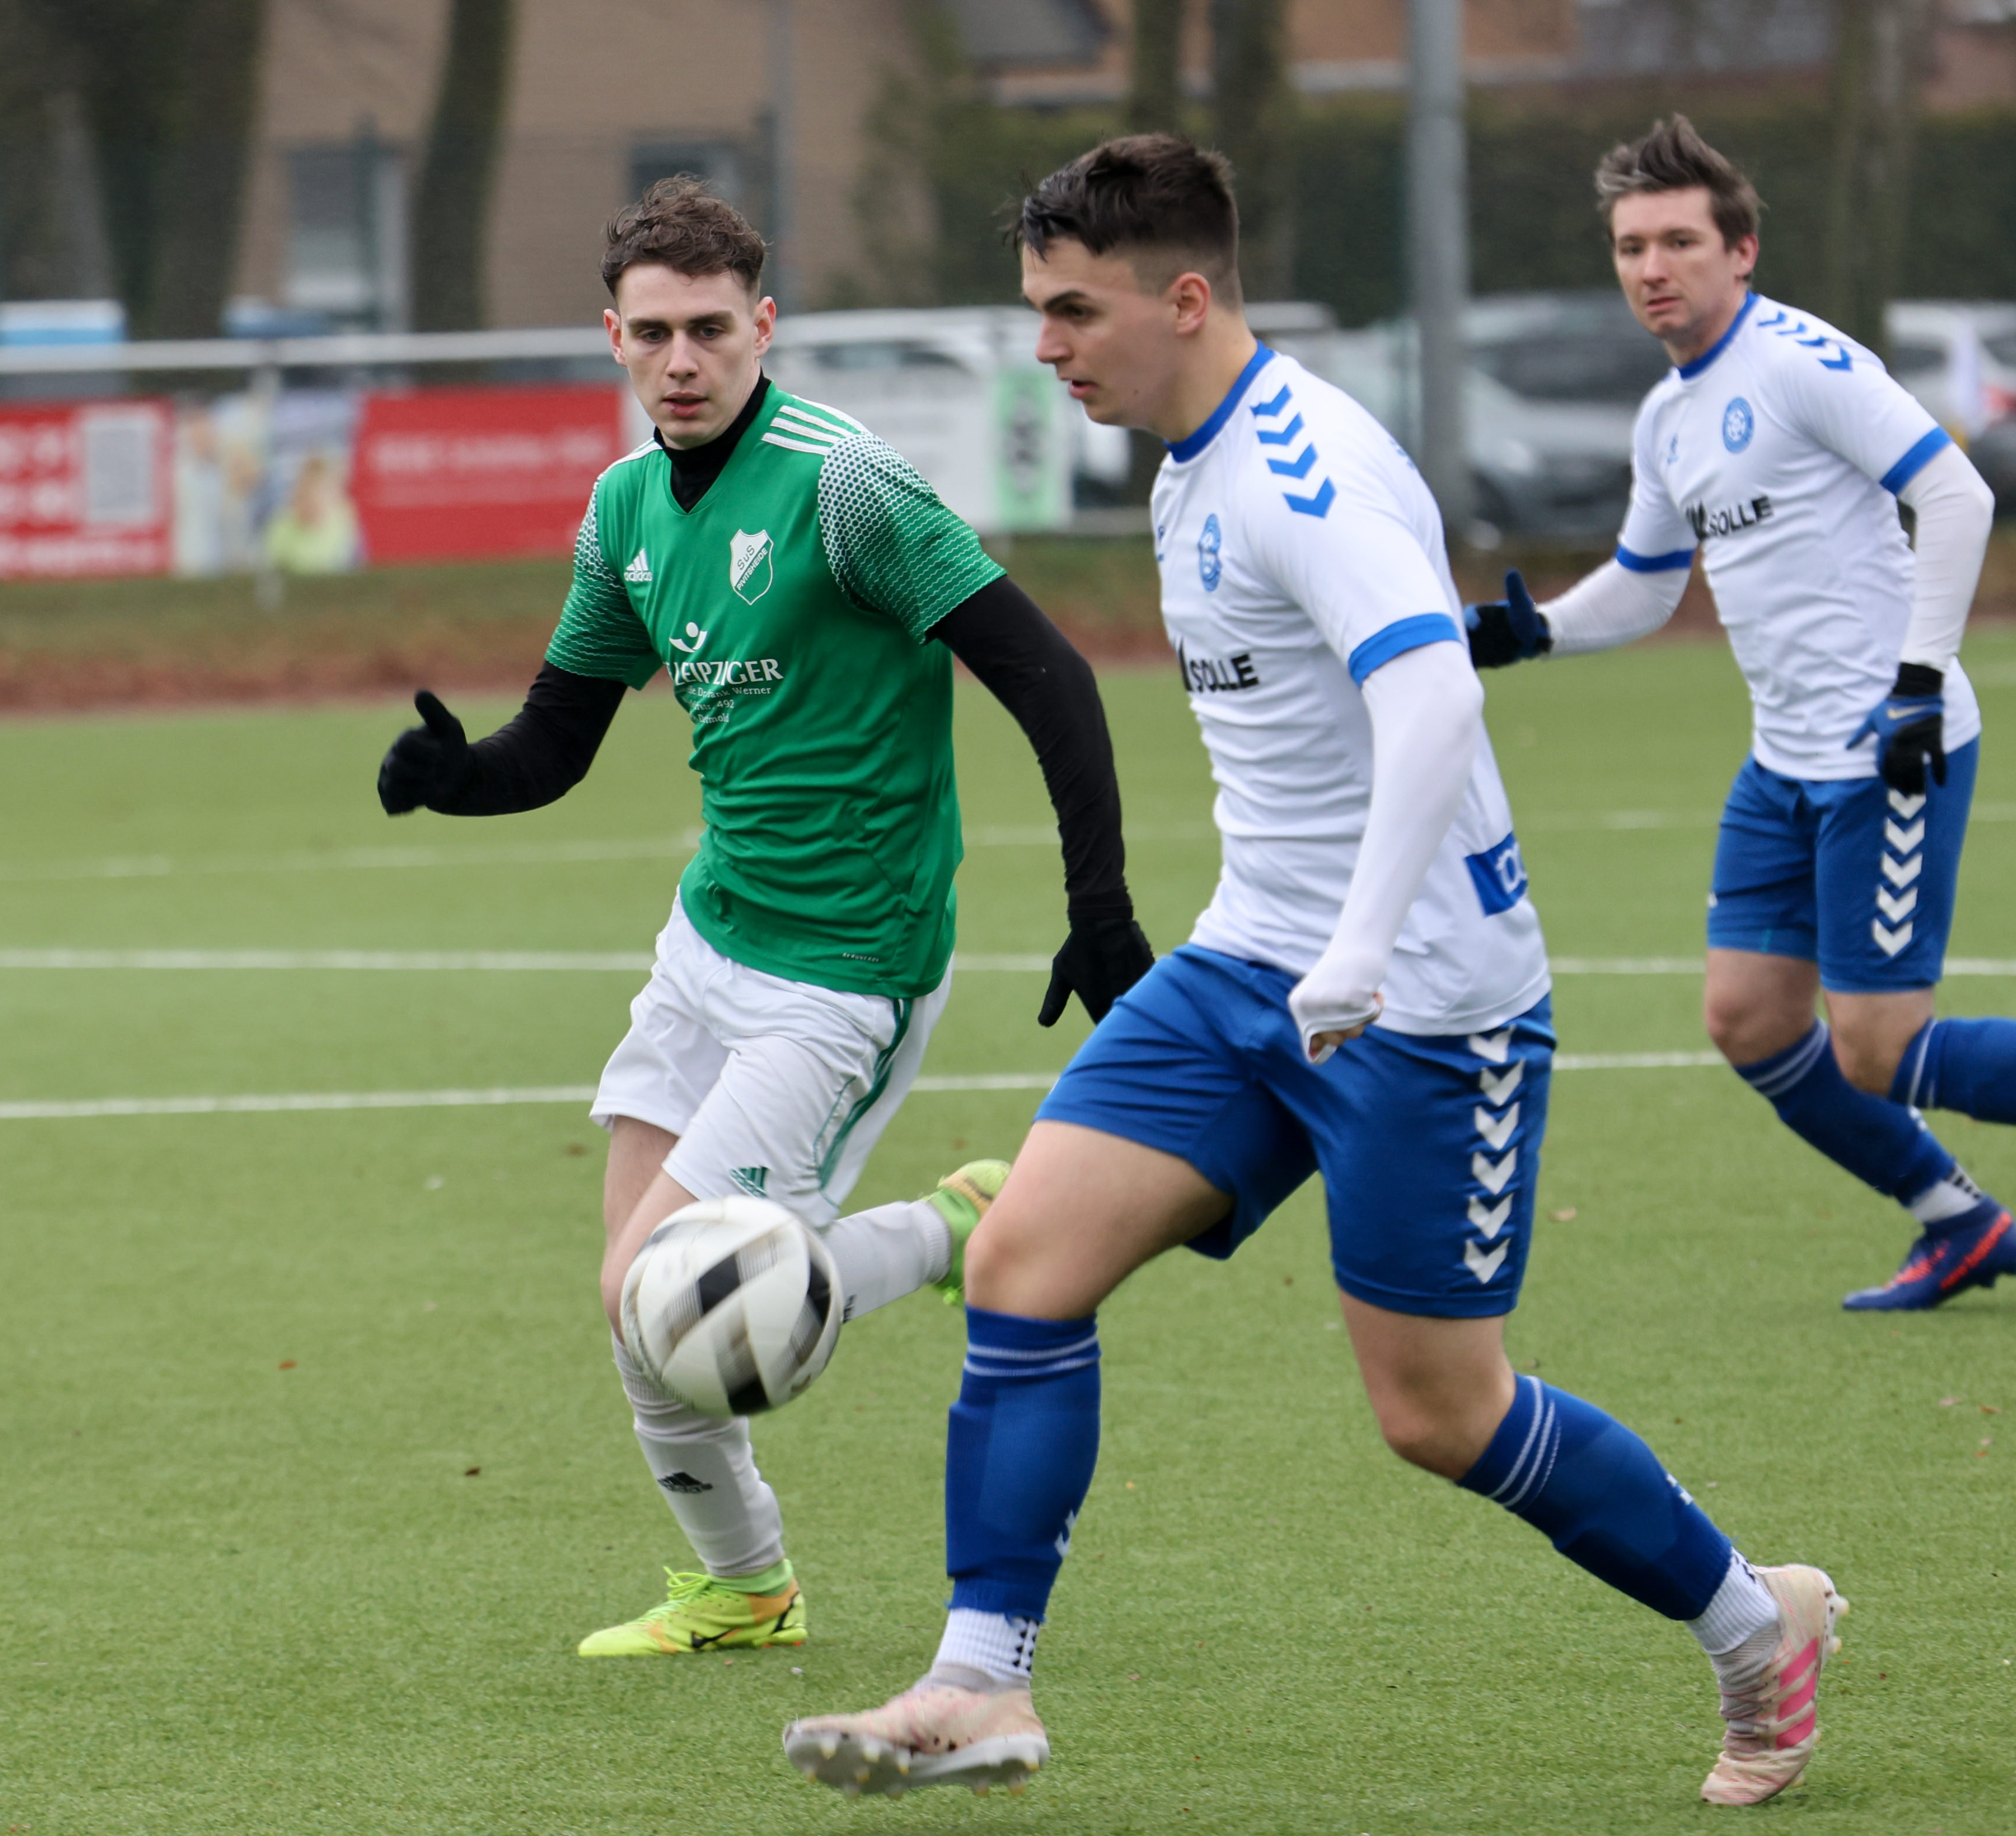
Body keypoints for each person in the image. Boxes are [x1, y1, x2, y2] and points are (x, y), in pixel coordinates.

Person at [783, 136, 1840, 1809]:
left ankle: (1752, 1620)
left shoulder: (1300, 470)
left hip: (1420, 1003)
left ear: (1181, 297)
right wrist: (1292, 944)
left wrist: (1355, 949)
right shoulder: (1182, 465)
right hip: (1245, 965)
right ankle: (979, 1681)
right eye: (1037, 310)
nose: (1044, 346)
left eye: (1072, 311)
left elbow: (1430, 697)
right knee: (1024, 1265)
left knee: (1437, 1412)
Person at [374, 177, 1154, 1657]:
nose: (681, 360)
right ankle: (744, 1588)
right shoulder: (622, 506)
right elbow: (555, 743)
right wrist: (454, 779)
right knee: (630, 1300)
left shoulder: (844, 486)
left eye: (710, 330)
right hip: (708, 940)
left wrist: (1096, 902)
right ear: (612, 338)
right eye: (652, 332)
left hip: (843, 968)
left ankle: (944, 1230)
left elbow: (1047, 671)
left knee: (666, 1297)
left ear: (763, 327)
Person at [1466, 117, 2010, 1311]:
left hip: (1886, 752)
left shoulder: (1800, 362)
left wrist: (1917, 682)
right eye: (1629, 247)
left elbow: (1955, 494)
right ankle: (1959, 1221)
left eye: (1677, 241)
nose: (1650, 268)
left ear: (1740, 250)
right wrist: (1534, 629)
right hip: (1781, 766)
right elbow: (1647, 583)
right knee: (1749, 1020)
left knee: (1881, 1048)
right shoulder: (1666, 415)